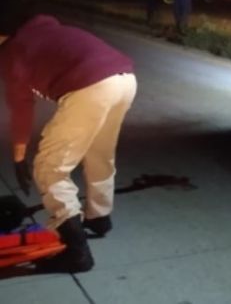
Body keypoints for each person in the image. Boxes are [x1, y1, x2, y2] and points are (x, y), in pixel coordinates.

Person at [0, 14, 138, 273]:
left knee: (49, 167)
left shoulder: (11, 53)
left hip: (91, 87)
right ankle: (99, 218)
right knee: (99, 155)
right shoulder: (42, 33)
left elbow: (21, 108)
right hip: (125, 80)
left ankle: (77, 253)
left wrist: (19, 156)